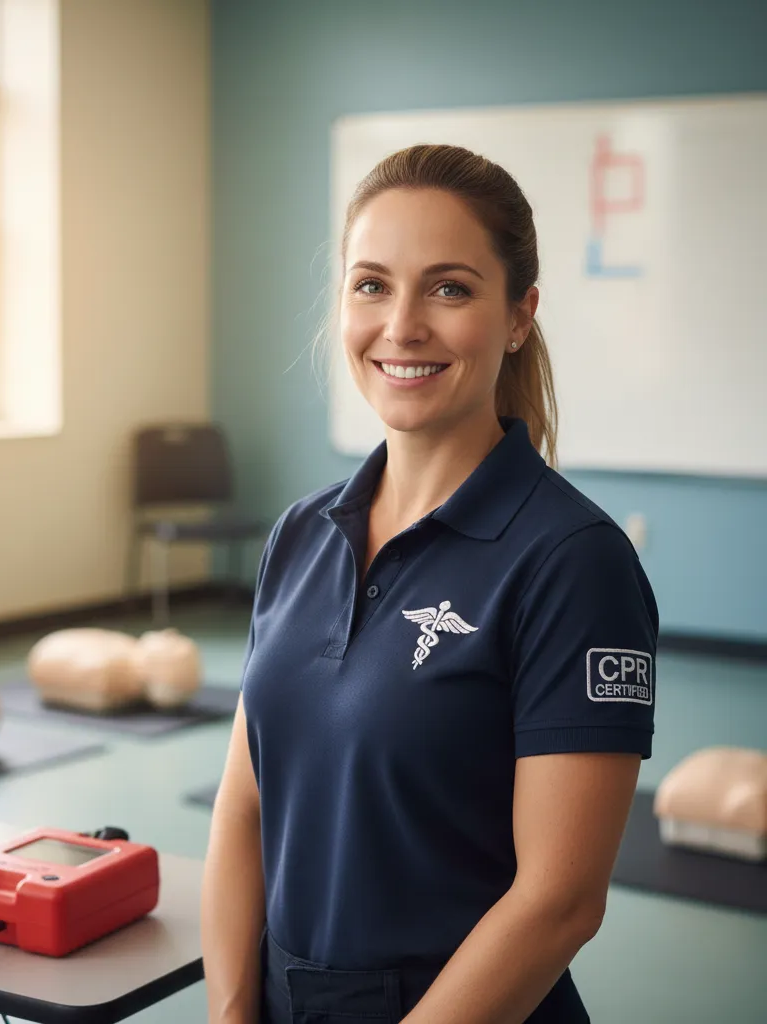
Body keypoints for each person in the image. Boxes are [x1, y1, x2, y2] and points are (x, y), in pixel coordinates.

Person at [200, 144, 657, 1024]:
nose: (402, 326)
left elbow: (559, 902)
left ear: (520, 315)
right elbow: (242, 808)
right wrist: (229, 1012)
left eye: (449, 288)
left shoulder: (573, 561)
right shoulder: (301, 535)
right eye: (371, 285)